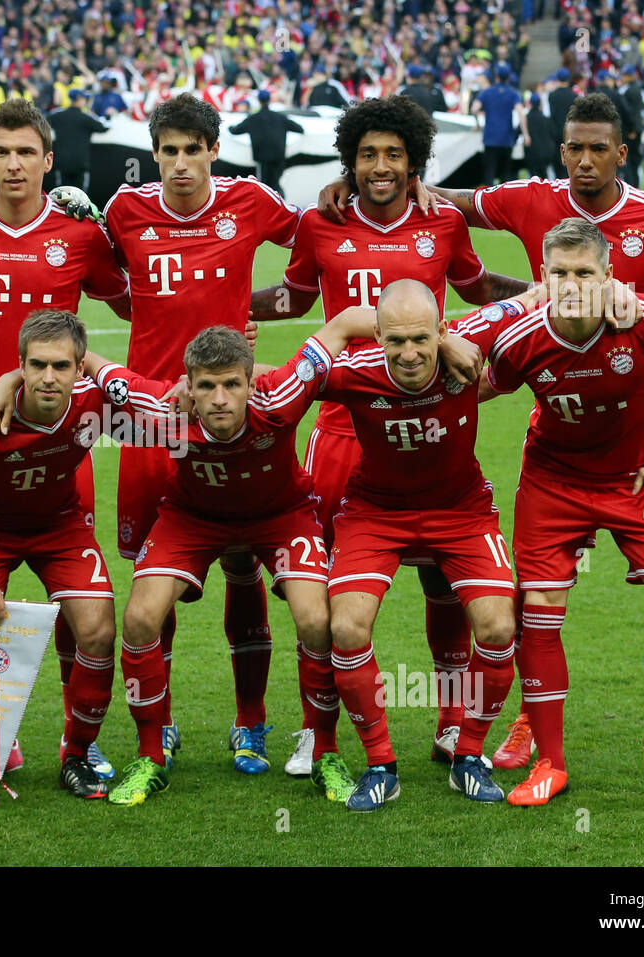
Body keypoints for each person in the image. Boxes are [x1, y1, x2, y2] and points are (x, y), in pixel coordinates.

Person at [415, 93, 644, 776]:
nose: (584, 161)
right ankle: (534, 720)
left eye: (598, 149)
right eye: (574, 148)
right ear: (560, 150)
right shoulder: (531, 201)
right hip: (559, 427)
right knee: (540, 600)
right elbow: (454, 202)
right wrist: (383, 179)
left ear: (622, 152)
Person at [254, 95, 529, 776]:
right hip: (345, 423)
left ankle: (450, 720)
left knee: (443, 578)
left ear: (413, 162)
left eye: (393, 155)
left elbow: (474, 286)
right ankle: (318, 735)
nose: (380, 166)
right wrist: (218, 304)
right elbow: (291, 299)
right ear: (350, 160)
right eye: (367, 154)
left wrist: (550, 287)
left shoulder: (441, 220)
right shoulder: (321, 221)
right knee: (313, 593)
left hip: (424, 418)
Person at [0, 98, 130, 782]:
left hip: (61, 450)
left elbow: (130, 301)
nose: (14, 164)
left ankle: (81, 743)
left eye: (25, 152)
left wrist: (106, 226)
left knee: (88, 620)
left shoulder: (77, 233)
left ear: (47, 160)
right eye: (1, 152)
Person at [84, 316, 370, 805]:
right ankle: (152, 756)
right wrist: (9, 380)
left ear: (250, 383)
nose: (220, 398)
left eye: (232, 384)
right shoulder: (161, 408)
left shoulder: (279, 396)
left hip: (281, 514)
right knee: (138, 619)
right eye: (207, 386)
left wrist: (438, 334)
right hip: (193, 516)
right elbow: (90, 361)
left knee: (317, 620)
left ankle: (325, 750)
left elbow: (342, 326)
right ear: (188, 388)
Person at [102, 93, 302, 774]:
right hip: (147, 426)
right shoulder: (126, 211)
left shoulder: (250, 201)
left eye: (194, 149)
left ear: (213, 150)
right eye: (170, 151)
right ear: (155, 155)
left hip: (231, 420)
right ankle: (162, 725)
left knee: (243, 564)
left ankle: (251, 722)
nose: (181, 163)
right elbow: (102, 277)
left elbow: (316, 248)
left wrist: (259, 310)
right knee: (155, 588)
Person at [483, 218, 644, 805]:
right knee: (539, 606)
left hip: (637, 475)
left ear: (610, 275)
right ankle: (550, 761)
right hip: (554, 481)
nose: (572, 283)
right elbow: (479, 386)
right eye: (559, 272)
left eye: (585, 272)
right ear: (542, 276)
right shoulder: (520, 339)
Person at [316, 280, 540, 809]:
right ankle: (380, 765)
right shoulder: (352, 372)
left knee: (500, 625)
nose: (409, 353)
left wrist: (620, 298)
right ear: (376, 337)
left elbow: (538, 297)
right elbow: (272, 385)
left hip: (460, 509)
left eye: (422, 339)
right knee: (345, 626)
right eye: (395, 342)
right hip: (375, 510)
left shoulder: (475, 336)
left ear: (443, 330)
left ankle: (468, 754)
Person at [0, 311, 137, 809]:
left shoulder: (95, 405)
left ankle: (76, 753)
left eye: (62, 365)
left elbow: (156, 411)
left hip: (59, 523)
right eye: (36, 365)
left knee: (97, 629)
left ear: (81, 369)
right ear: (21, 365)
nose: (48, 377)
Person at [227, 89, 304, 196]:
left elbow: (235, 130)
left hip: (262, 158)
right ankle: (281, 206)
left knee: (264, 186)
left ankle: (268, 208)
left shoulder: (253, 118)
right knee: (275, 184)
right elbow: (300, 129)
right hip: (279, 156)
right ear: (269, 100)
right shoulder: (280, 117)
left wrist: (229, 127)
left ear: (259, 101)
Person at [471, 64, 528, 186]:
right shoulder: (513, 93)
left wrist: (477, 124)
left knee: (489, 172)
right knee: (505, 173)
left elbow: (474, 109)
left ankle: (486, 202)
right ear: (508, 77)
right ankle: (504, 202)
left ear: (496, 77)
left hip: (490, 137)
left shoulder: (486, 92)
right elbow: (521, 112)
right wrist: (526, 134)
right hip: (506, 138)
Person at [48, 89, 109, 192]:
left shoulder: (57, 116)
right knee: (80, 196)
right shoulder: (86, 118)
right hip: (80, 163)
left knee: (62, 195)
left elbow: (44, 123)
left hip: (62, 162)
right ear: (79, 99)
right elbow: (104, 128)